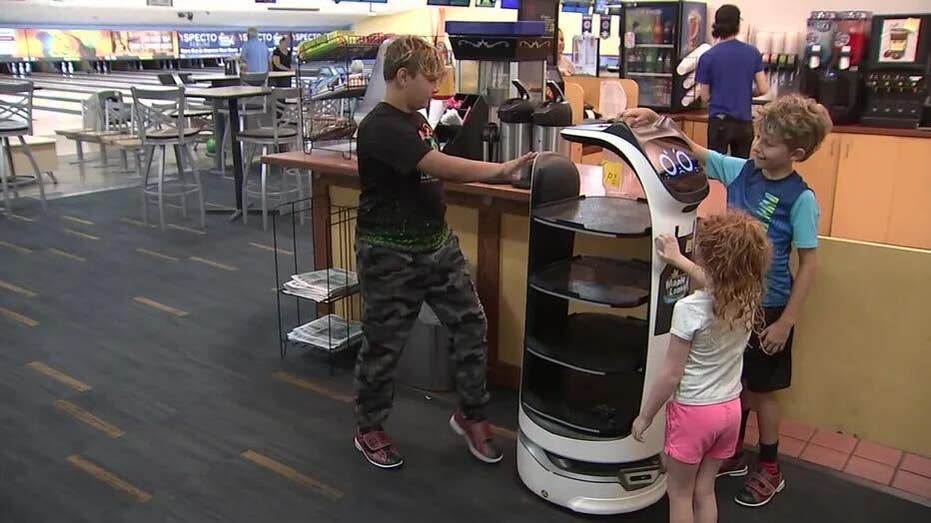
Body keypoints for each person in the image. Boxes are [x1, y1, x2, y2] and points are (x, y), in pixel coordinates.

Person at [622, 93, 830, 507]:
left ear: (797, 153)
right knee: (731, 382)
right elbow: (695, 152)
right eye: (758, 137)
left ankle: (769, 466)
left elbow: (809, 265)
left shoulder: (801, 199)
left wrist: (785, 321)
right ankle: (729, 449)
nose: (757, 147)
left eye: (768, 143)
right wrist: (656, 121)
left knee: (761, 391)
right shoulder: (742, 172)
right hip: (727, 300)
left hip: (768, 307)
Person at [353, 35, 535, 469]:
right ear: (402, 77)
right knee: (384, 345)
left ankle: (470, 413)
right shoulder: (380, 127)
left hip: (436, 245)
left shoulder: (417, 119)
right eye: (429, 79)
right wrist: (502, 172)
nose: (436, 87)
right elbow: (438, 166)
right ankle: (369, 427)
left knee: (471, 324)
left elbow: (435, 165)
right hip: (389, 254)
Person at [632, 210, 772, 523]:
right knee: (704, 490)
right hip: (729, 411)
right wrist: (678, 259)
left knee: (679, 493)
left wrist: (645, 416)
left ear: (708, 259)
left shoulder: (688, 309)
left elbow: (671, 374)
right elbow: (717, 282)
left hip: (694, 413)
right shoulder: (748, 298)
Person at [695, 4, 768, 158]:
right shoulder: (752, 52)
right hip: (744, 123)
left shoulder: (708, 57)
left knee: (715, 170)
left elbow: (705, 97)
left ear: (716, 25)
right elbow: (763, 88)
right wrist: (746, 93)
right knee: (740, 170)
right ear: (737, 24)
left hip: (719, 122)